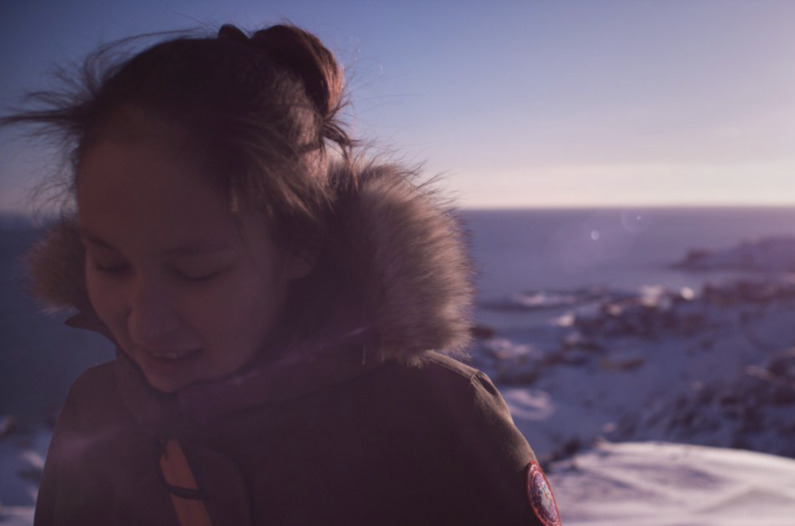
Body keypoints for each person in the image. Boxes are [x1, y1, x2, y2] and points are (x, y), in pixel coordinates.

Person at [5, 23, 562, 526]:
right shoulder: (95, 412)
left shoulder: (439, 420)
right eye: (109, 263)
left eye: (196, 271)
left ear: (303, 247)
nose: (145, 322)